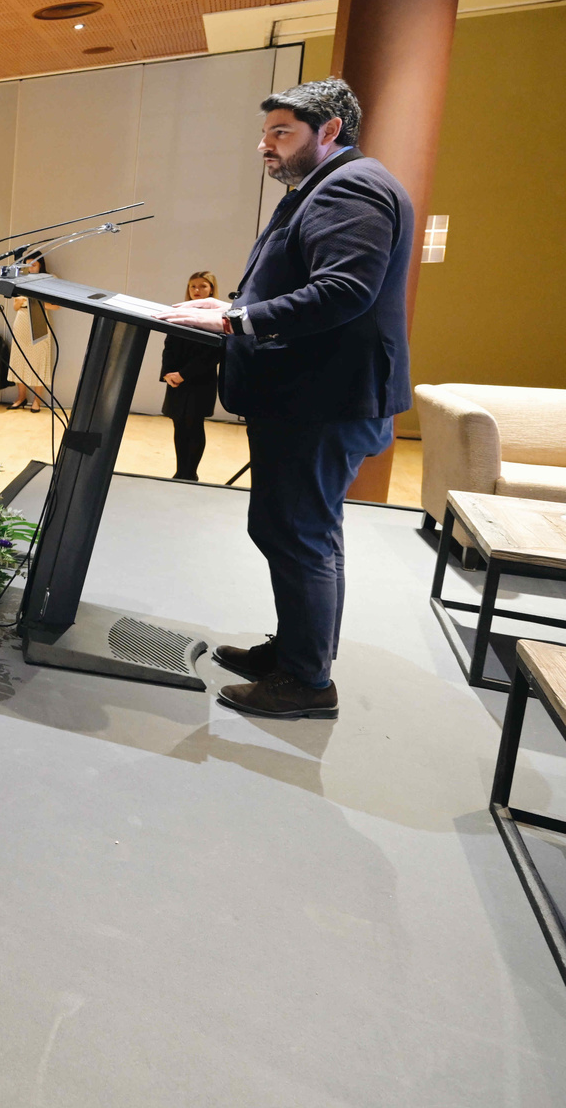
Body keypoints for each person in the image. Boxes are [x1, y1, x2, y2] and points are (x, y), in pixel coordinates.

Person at [161, 78, 413, 721]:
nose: (264, 147)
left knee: (300, 533)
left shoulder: (353, 186)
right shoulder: (327, 186)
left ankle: (306, 681)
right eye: (266, 132)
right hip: (308, 398)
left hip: (321, 400)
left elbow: (344, 289)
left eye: (281, 134)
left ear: (329, 130)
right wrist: (235, 305)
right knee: (294, 529)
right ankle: (297, 652)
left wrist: (237, 323)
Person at [3, 255, 54, 412]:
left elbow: (56, 305)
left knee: (40, 359)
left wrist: (34, 301)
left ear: (40, 265)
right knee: (20, 358)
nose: (30, 268)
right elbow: (15, 306)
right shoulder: (20, 281)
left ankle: (37, 401)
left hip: (39, 319)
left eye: (34, 265)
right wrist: (21, 301)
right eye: (27, 265)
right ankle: (21, 397)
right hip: (22, 319)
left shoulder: (49, 279)